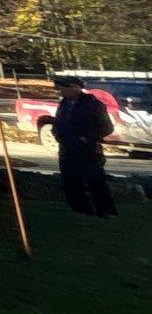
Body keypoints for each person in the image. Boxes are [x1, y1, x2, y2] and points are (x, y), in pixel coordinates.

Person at [50, 75, 117, 218]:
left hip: (88, 149)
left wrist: (86, 137)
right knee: (70, 179)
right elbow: (59, 122)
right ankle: (81, 209)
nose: (60, 92)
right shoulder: (64, 104)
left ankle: (105, 210)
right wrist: (57, 133)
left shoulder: (93, 105)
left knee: (95, 179)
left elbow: (107, 128)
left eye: (63, 89)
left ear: (74, 88)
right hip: (67, 147)